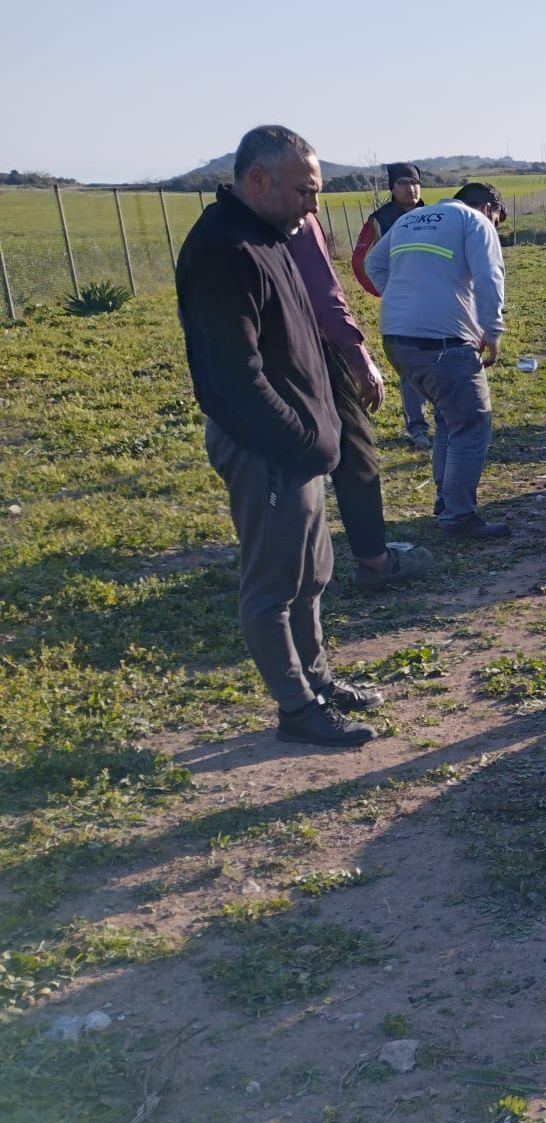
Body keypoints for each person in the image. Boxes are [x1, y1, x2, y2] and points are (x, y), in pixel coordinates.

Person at [175, 125, 381, 748]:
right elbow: (234, 379)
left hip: (299, 449)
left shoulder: (271, 236)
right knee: (273, 588)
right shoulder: (224, 250)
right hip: (268, 451)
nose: (313, 205)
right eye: (303, 191)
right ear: (258, 180)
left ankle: (317, 682)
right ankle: (296, 709)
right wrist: (299, 440)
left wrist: (322, 431)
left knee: (311, 575)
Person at [286, 213, 433, 592]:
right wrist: (358, 357)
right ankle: (375, 560)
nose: (313, 203)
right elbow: (324, 292)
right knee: (355, 450)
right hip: (312, 347)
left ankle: (287, 561)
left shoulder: (223, 225)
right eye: (307, 191)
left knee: (280, 455)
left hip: (259, 359)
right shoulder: (296, 220)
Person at [365, 181, 509, 539]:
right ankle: (459, 517)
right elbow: (490, 277)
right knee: (472, 423)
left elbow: (373, 263)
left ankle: (447, 502)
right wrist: (492, 332)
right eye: (497, 220)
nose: (495, 226)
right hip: (443, 343)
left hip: (398, 339)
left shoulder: (410, 219)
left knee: (449, 418)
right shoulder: (475, 222)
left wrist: (403, 298)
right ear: (488, 208)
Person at [350, 162, 432, 449]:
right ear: (392, 188)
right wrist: (387, 291)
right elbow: (361, 262)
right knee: (410, 366)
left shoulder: (434, 215)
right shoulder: (380, 220)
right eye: (403, 183)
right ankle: (417, 427)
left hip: (438, 301)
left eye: (415, 182)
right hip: (404, 306)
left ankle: (447, 420)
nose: (411, 189)